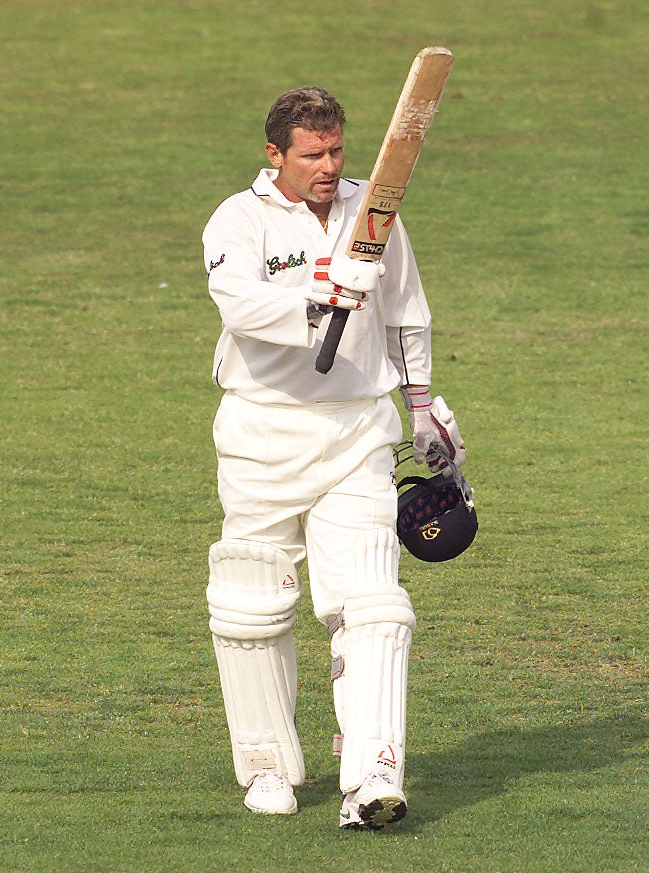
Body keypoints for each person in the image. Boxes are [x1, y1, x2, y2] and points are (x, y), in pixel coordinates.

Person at [201, 86, 465, 830]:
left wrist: (420, 407)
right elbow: (239, 305)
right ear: (274, 154)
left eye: (336, 150)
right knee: (251, 603)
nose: (327, 166)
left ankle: (373, 770)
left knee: (373, 602)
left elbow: (406, 312)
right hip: (262, 431)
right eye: (311, 154)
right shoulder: (239, 218)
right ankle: (266, 767)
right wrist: (320, 291)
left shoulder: (373, 211)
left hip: (356, 431)